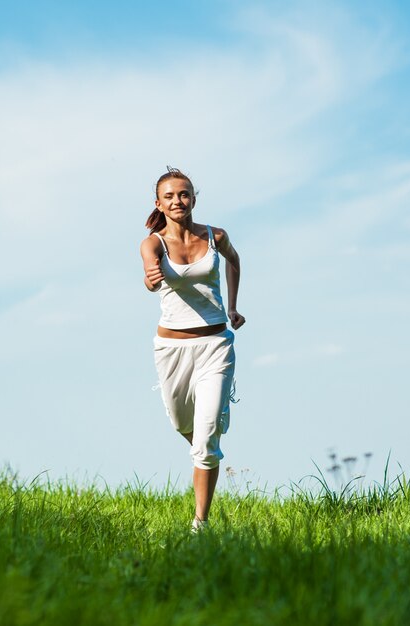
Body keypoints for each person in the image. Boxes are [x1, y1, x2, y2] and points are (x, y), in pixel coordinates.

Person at [140, 166, 245, 532]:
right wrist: (152, 278)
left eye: (183, 194)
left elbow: (234, 260)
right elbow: (150, 273)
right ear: (159, 203)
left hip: (216, 343)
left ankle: (200, 524)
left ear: (194, 199)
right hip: (172, 349)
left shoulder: (215, 236)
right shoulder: (154, 242)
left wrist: (232, 307)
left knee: (206, 435)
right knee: (181, 423)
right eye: (169, 196)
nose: (177, 201)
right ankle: (207, 440)